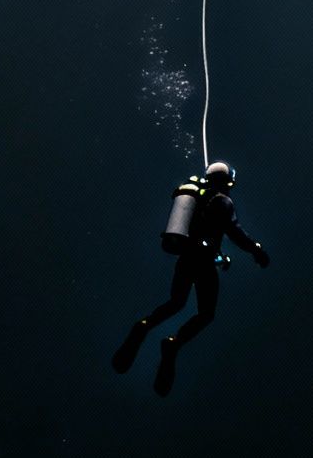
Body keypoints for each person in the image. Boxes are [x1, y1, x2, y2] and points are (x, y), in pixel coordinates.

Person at [113, 161, 270, 396]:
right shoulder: (223, 202)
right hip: (203, 264)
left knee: (176, 303)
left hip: (186, 259)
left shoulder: (198, 198)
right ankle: (174, 343)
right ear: (229, 181)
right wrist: (257, 250)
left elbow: (200, 235)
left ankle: (144, 325)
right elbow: (235, 233)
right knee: (206, 314)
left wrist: (220, 258)